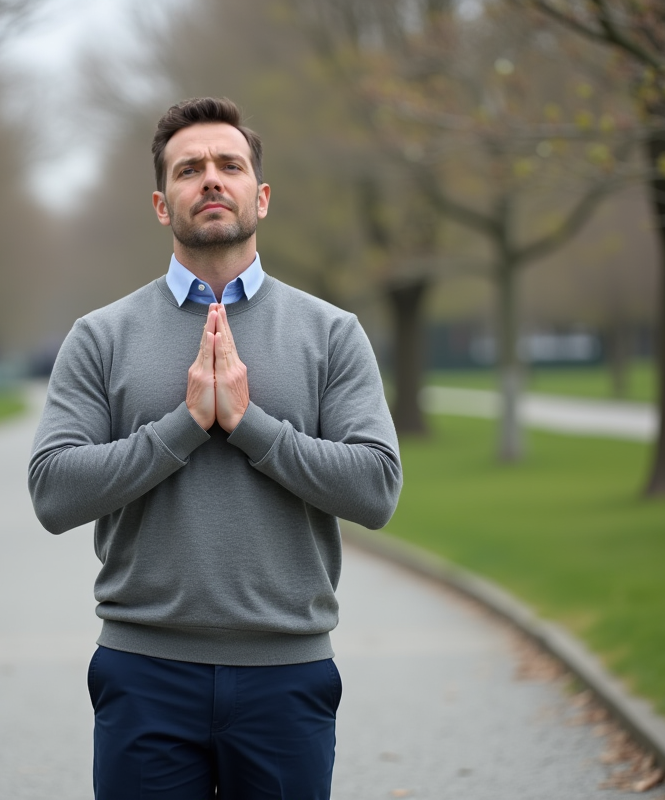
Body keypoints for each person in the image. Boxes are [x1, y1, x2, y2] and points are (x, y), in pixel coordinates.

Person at [28, 96, 402, 799]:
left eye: (229, 165)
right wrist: (185, 427)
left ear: (259, 195)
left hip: (287, 674)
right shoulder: (101, 336)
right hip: (143, 673)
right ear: (161, 204)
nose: (211, 179)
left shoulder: (331, 333)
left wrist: (249, 425)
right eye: (189, 168)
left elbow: (376, 490)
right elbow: (53, 492)